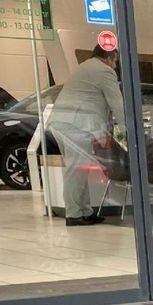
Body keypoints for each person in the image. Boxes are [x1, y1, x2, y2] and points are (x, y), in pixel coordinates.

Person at [48, 39, 124, 226]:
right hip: (76, 126)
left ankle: (85, 211)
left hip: (63, 123)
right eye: (115, 60)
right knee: (76, 171)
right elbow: (117, 102)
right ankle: (74, 214)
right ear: (109, 57)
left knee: (79, 169)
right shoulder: (104, 71)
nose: (115, 65)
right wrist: (127, 128)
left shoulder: (84, 67)